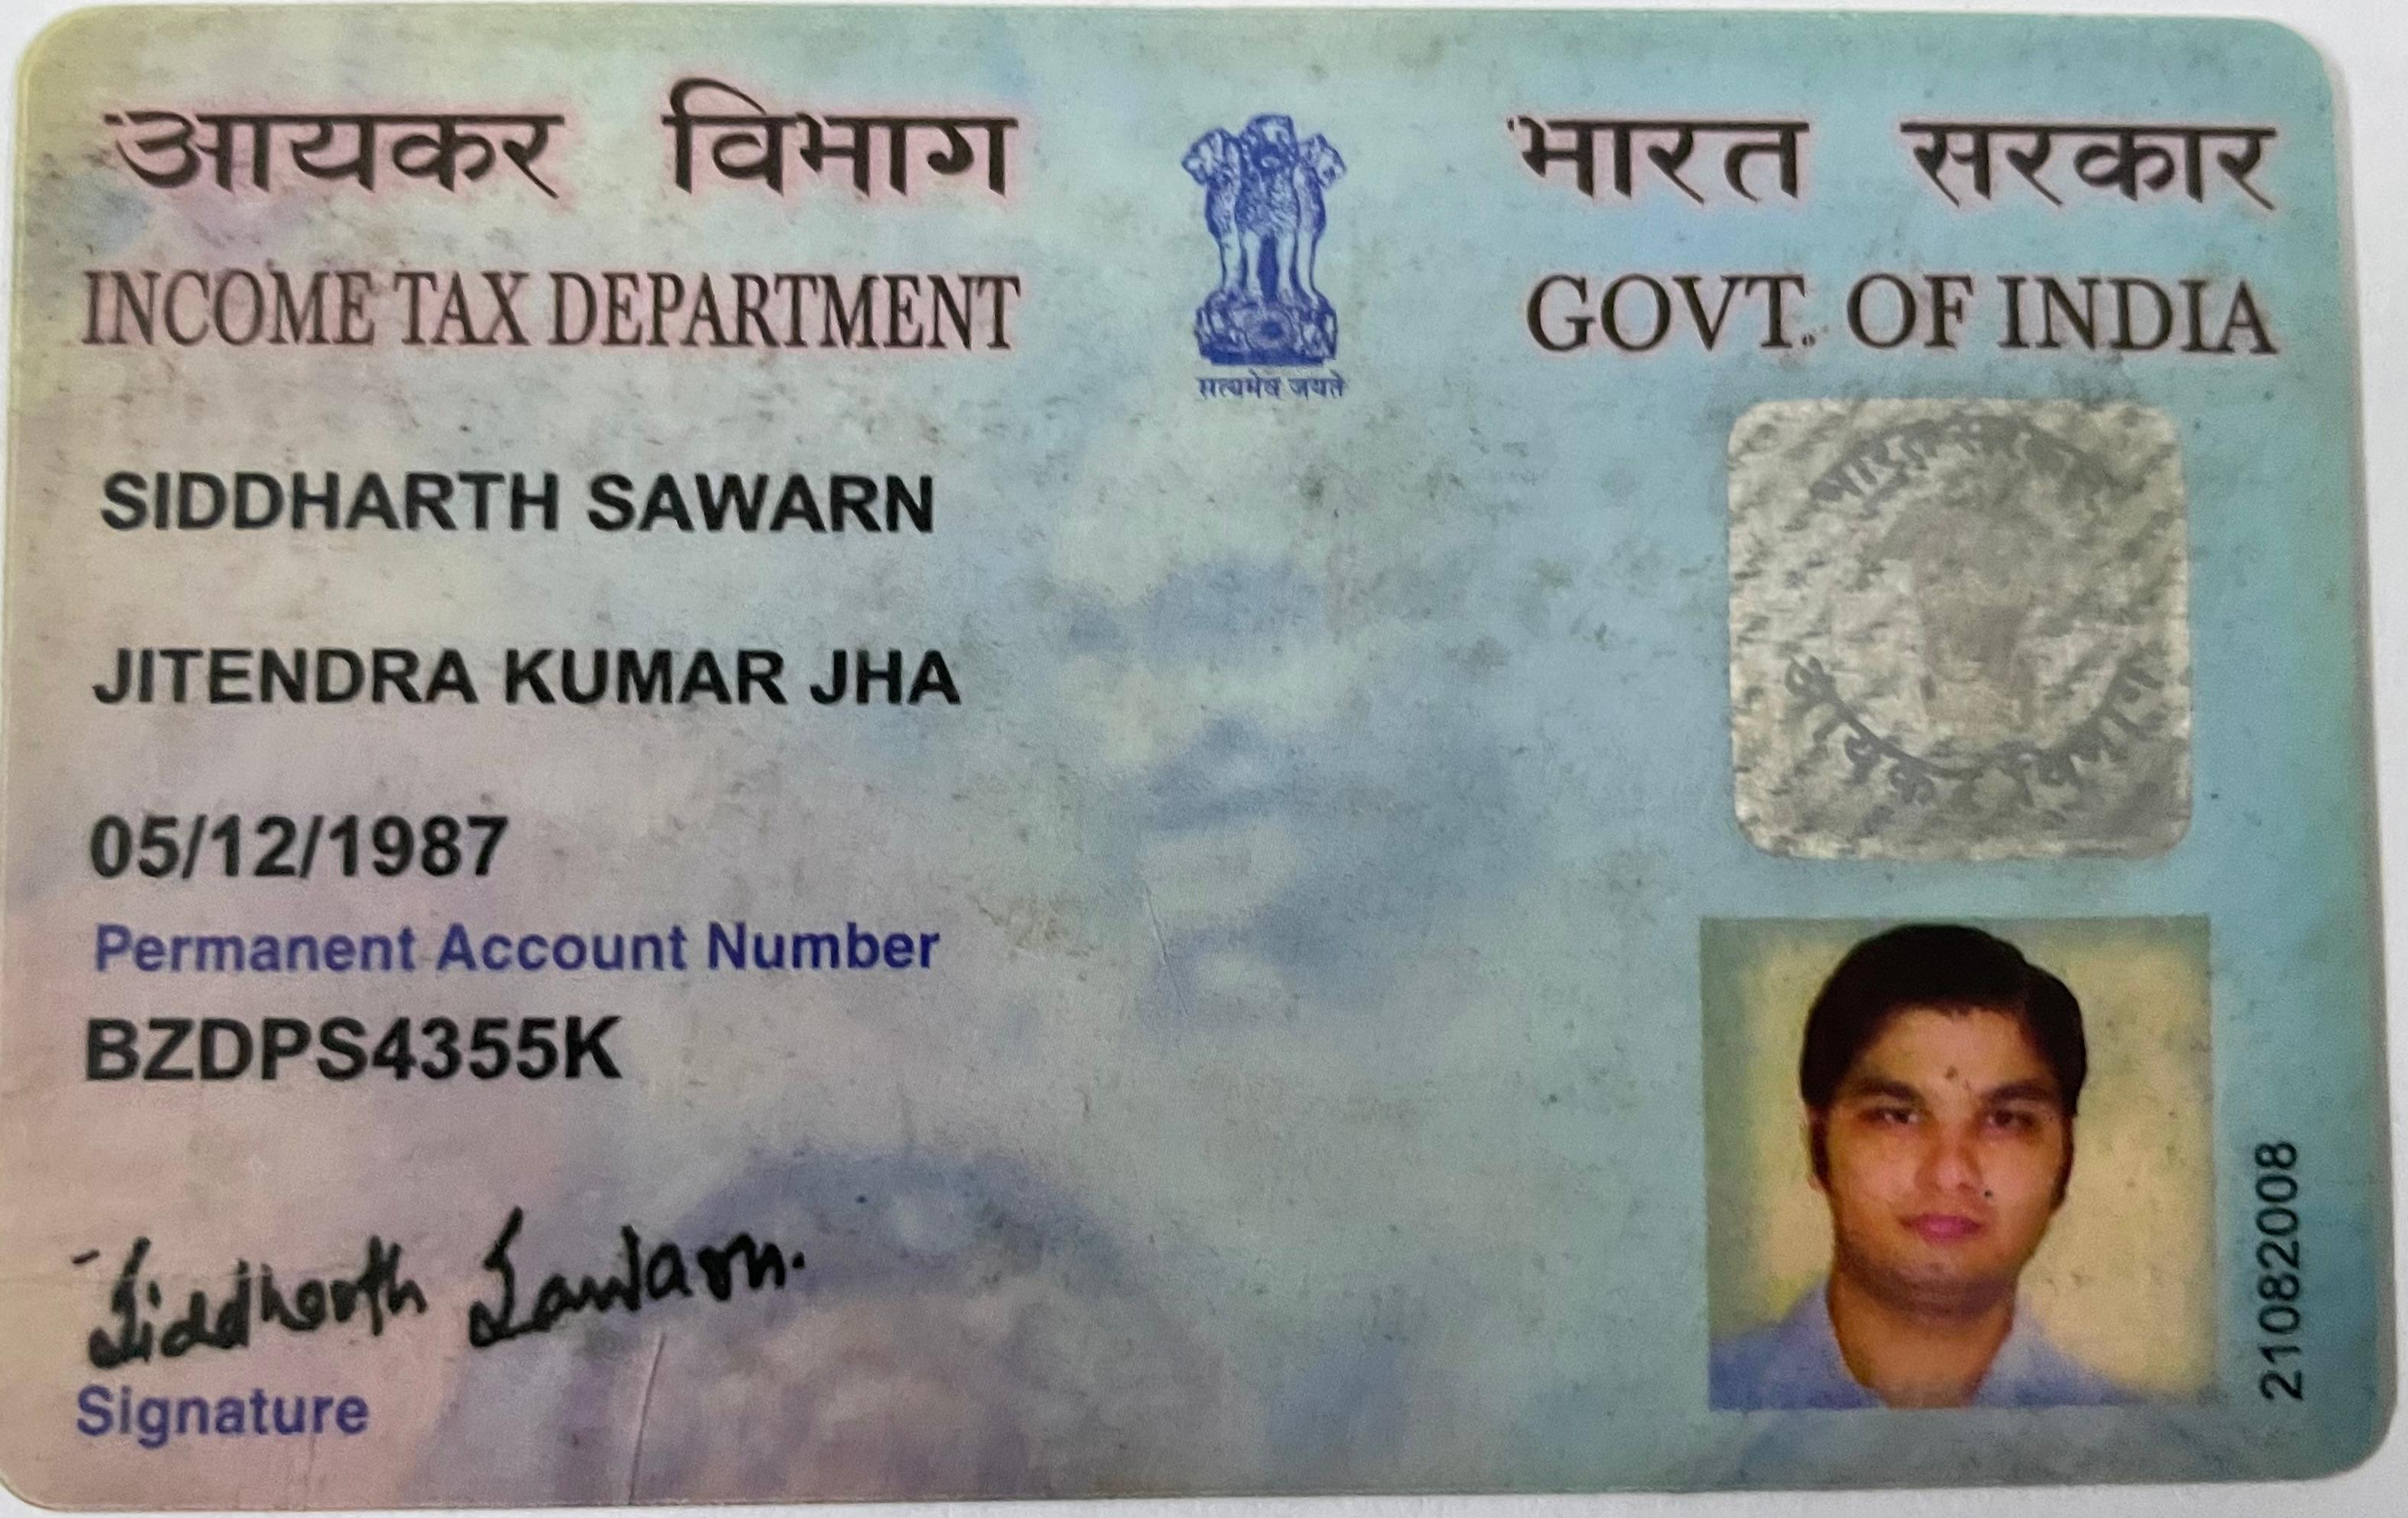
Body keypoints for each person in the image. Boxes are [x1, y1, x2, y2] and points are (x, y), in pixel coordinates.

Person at [1711, 923, 2131, 1409]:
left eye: (2005, 1120)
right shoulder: (1691, 1406)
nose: (1951, 1173)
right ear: (1816, 1143)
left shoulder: (2142, 1438)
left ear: (2067, 1155)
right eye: (1897, 1116)